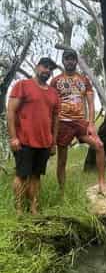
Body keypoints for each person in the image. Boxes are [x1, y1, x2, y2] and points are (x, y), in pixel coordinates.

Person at [7, 57, 59, 214]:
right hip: (24, 140)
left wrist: (53, 142)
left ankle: (34, 208)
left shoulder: (53, 93)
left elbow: (55, 119)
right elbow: (11, 111)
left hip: (44, 142)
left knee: (36, 176)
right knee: (22, 175)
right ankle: (19, 210)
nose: (47, 70)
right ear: (37, 67)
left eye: (50, 68)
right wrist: (13, 137)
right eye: (45, 66)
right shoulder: (22, 85)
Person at [50, 49, 106, 194]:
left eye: (72, 59)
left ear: (76, 61)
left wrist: (92, 124)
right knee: (62, 161)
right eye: (67, 59)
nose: (70, 61)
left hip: (80, 122)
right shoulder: (56, 81)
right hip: (62, 122)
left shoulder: (84, 80)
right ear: (63, 61)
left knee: (99, 145)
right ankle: (62, 192)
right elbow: (50, 103)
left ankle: (102, 183)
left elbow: (91, 103)